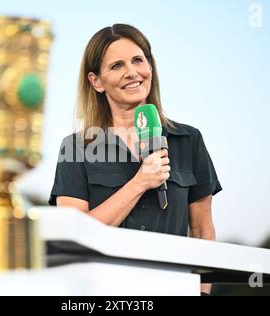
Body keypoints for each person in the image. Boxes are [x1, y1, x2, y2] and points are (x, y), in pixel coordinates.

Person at [49, 24, 222, 295]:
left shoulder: (189, 140)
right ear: (96, 81)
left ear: (150, 67)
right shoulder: (75, 147)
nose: (132, 72)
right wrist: (139, 183)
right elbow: (72, 235)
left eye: (138, 60)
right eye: (117, 65)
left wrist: (202, 293)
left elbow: (202, 231)